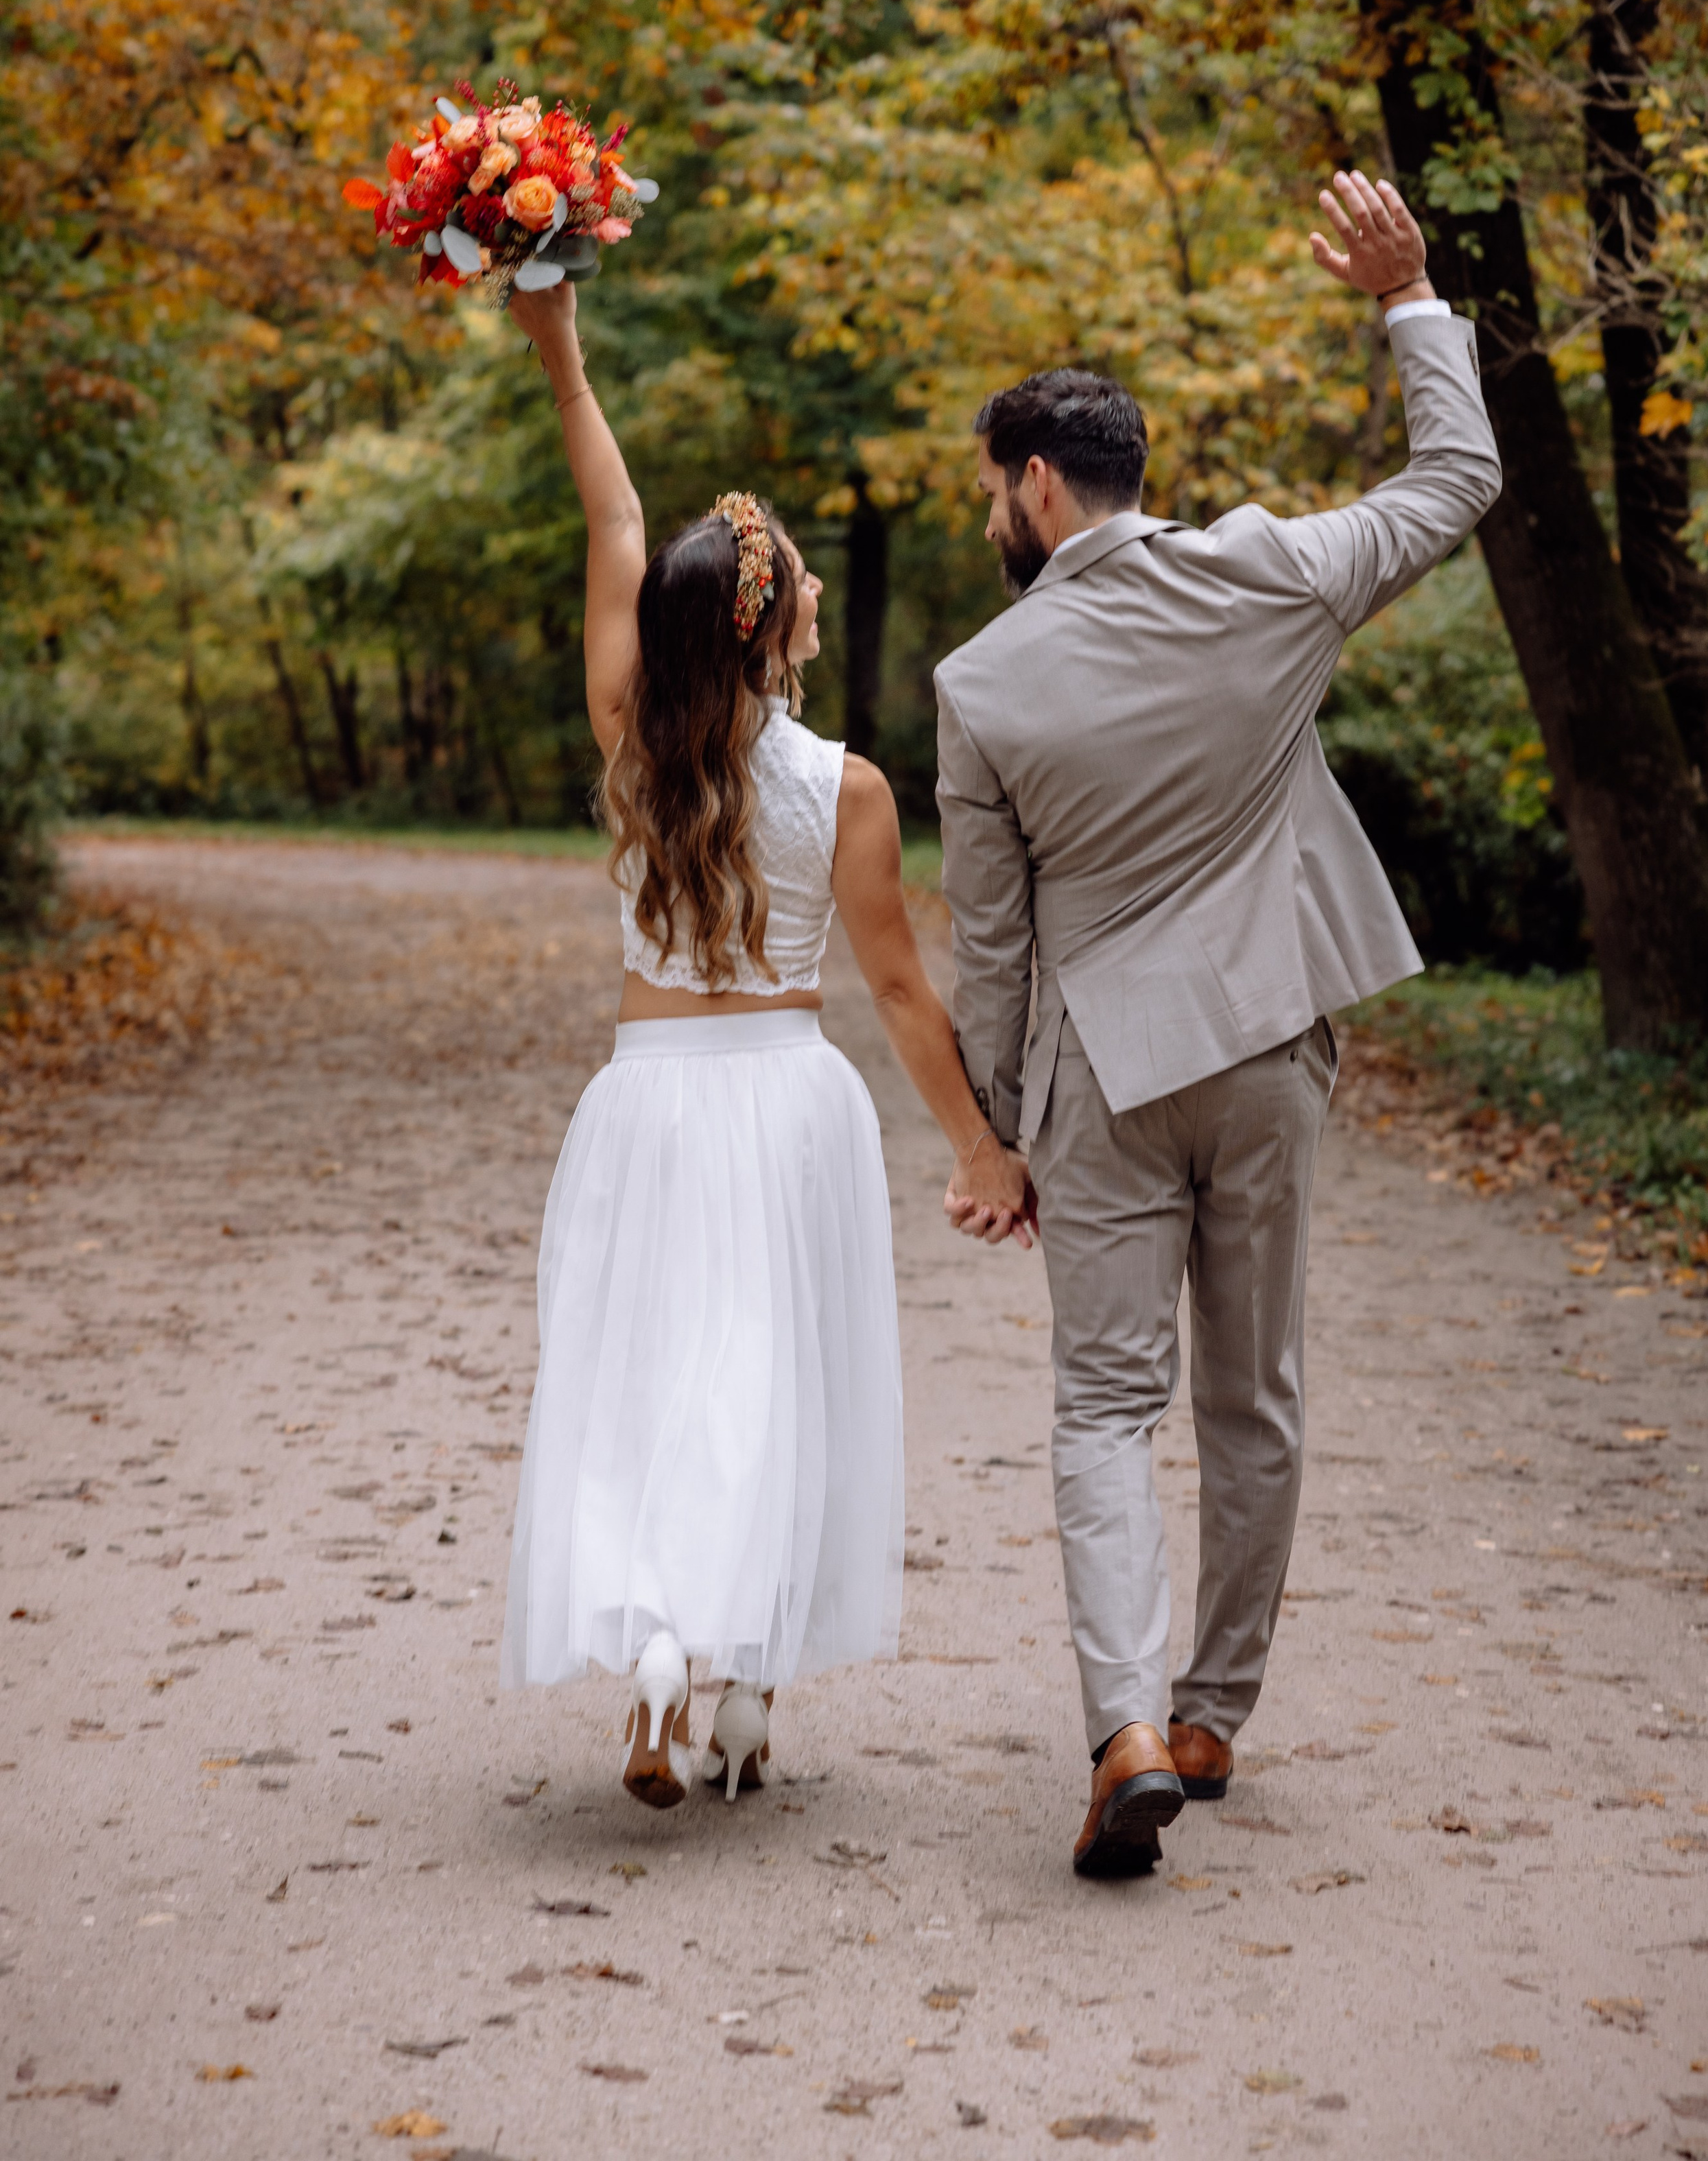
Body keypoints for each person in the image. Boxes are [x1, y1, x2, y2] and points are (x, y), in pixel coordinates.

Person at [935, 173, 1503, 1877]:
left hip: (1102, 1081)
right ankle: (1206, 1716)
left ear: (1038, 484)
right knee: (1249, 1393)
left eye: (990, 488)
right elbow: (1456, 480)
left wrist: (998, 1127)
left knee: (1103, 1409)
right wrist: (1408, 301)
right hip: (1266, 1055)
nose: (989, 515)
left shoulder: (982, 682)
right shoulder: (1267, 575)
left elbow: (991, 942)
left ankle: (1116, 1728)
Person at [498, 279, 1032, 1810]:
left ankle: (662, 1646)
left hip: (646, 1105)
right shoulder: (847, 789)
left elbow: (613, 521)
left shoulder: (628, 733)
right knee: (771, 1381)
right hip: (791, 1108)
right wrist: (980, 1145)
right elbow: (901, 996)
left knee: (645, 1375)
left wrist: (561, 350)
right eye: (793, 580)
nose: (805, 593)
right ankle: (740, 1683)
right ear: (776, 619)